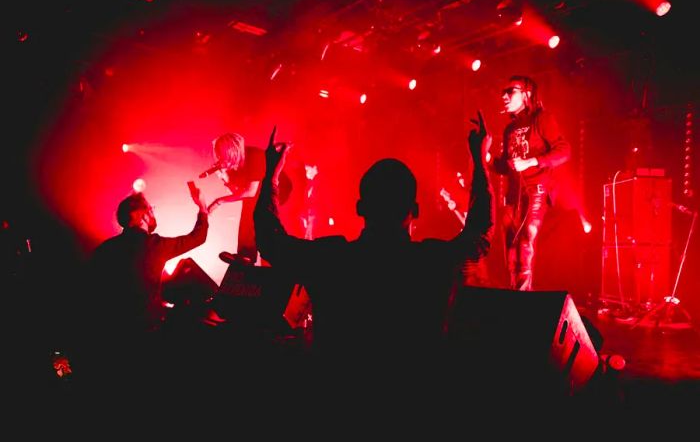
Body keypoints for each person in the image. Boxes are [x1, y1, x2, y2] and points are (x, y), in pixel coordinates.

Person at [254, 118, 494, 395]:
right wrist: (479, 160)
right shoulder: (431, 262)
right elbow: (480, 231)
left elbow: (271, 241)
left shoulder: (332, 259)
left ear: (360, 207)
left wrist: (272, 174)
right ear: (415, 210)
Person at [76, 183, 209, 392]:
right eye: (150, 208)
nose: (153, 212)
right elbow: (197, 237)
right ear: (141, 216)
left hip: (109, 341)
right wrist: (202, 207)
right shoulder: (154, 245)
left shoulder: (104, 251)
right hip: (145, 338)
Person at [492, 75, 571, 291]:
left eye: (510, 91)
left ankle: (524, 299)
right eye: (503, 92)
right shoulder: (509, 129)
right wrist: (487, 157)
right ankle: (513, 294)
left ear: (527, 94)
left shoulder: (542, 119)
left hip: (535, 191)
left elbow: (564, 150)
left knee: (526, 242)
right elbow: (505, 167)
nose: (504, 96)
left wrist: (532, 161)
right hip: (512, 194)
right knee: (510, 247)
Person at [205, 132, 291, 266]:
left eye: (222, 154)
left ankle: (248, 255)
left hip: (281, 192)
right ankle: (247, 255)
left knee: (253, 209)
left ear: (231, 151)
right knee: (251, 207)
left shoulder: (254, 156)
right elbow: (238, 193)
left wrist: (219, 201)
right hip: (262, 194)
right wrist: (224, 178)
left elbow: (250, 192)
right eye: (218, 154)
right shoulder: (233, 167)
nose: (220, 158)